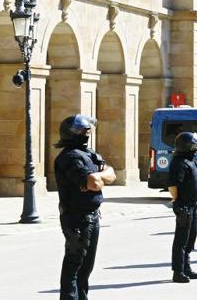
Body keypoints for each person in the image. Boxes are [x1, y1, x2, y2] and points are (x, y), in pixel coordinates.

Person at [54, 114, 116, 300]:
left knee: (86, 267)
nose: (86, 133)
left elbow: (111, 174)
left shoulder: (89, 154)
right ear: (71, 133)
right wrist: (98, 177)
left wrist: (101, 176)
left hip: (92, 216)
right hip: (77, 218)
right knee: (74, 263)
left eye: (87, 130)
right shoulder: (70, 157)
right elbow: (94, 184)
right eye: (82, 130)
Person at [168, 132, 197, 283]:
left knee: (191, 238)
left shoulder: (189, 161)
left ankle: (186, 268)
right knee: (181, 240)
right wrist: (177, 200)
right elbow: (172, 185)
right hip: (185, 206)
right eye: (193, 146)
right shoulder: (179, 163)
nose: (195, 148)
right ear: (186, 147)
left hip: (194, 205)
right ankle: (178, 271)